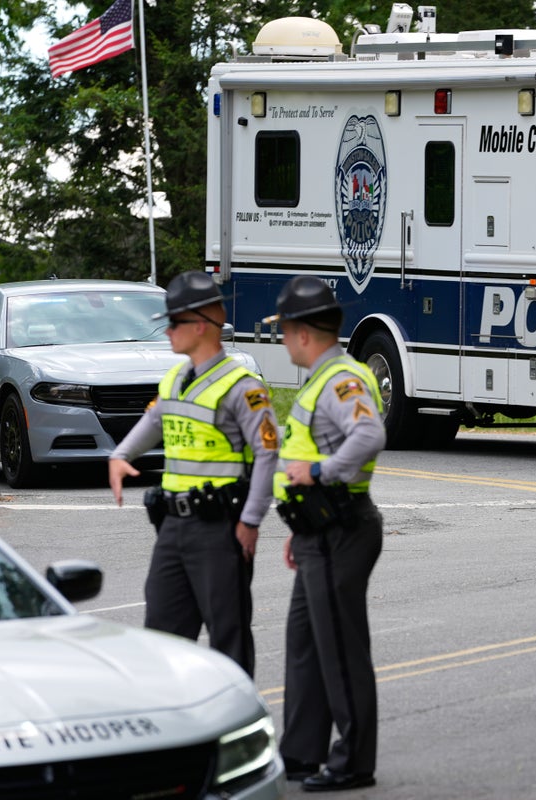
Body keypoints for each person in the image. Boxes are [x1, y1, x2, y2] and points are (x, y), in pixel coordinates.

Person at [108, 270, 278, 677]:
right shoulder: (175, 378)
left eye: (174, 323)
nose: (167, 331)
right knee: (162, 634)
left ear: (201, 325)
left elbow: (268, 453)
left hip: (220, 528)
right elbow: (154, 420)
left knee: (228, 635)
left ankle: (235, 714)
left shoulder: (242, 386)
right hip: (172, 527)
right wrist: (121, 455)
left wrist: (251, 521)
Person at [270, 275, 387, 792]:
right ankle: (300, 752)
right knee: (305, 642)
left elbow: (369, 434)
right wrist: (300, 526)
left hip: (342, 529)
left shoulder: (342, 380)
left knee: (339, 647)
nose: (282, 340)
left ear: (302, 333)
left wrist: (319, 473)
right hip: (318, 529)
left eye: (284, 330)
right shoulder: (322, 378)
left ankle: (354, 761)